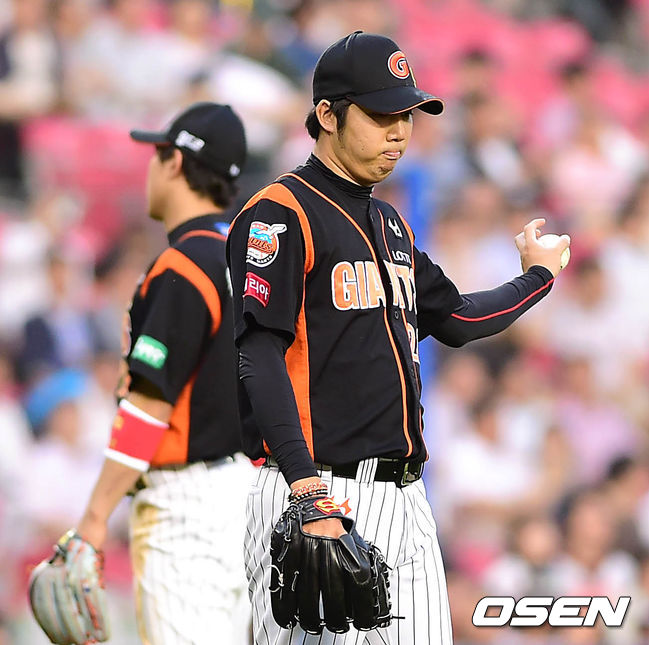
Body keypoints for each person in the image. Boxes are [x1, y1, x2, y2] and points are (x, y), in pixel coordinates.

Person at [227, 32, 570, 645]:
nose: (399, 132)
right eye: (381, 115)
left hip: (406, 498)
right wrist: (307, 491)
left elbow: (457, 319)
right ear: (327, 114)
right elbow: (258, 353)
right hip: (319, 490)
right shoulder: (281, 213)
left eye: (406, 115)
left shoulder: (388, 222)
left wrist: (538, 277)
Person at [38, 102, 254, 645]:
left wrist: (94, 518)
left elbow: (149, 406)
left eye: (158, 155)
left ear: (175, 162)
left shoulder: (184, 264)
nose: (151, 168)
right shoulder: (253, 262)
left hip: (188, 507)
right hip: (251, 496)